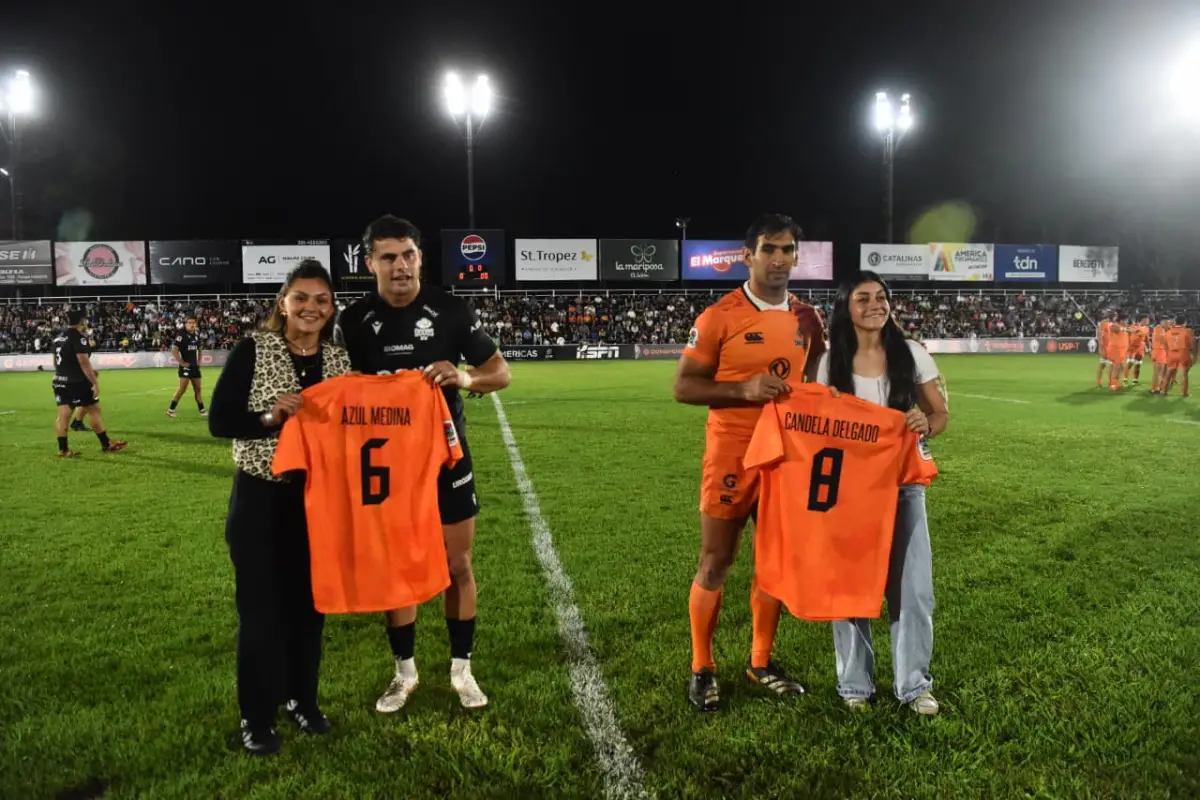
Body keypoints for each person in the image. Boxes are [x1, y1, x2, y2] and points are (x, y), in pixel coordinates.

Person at [335, 215, 512, 712]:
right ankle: (404, 673)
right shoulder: (352, 322)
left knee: (458, 565)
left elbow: (500, 372)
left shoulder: (450, 310)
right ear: (369, 263)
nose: (400, 266)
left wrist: (464, 377)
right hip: (388, 469)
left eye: (408, 255)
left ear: (420, 258)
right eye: (388, 257)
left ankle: (462, 670)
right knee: (397, 570)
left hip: (447, 460)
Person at [672, 213, 826, 712]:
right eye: (769, 249)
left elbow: (817, 383)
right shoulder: (719, 315)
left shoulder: (809, 319)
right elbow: (684, 387)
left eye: (787, 250)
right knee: (716, 561)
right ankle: (702, 667)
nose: (778, 259)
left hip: (786, 456)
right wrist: (743, 388)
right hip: (733, 452)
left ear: (797, 256)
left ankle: (760, 661)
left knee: (774, 563)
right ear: (749, 255)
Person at [208, 260, 351, 756]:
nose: (311, 308)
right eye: (302, 298)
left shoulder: (339, 361)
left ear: (331, 308)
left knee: (310, 611)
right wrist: (271, 415)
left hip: (317, 503)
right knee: (261, 613)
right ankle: (256, 715)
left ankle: (302, 702)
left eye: (322, 300)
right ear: (283, 302)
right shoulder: (252, 350)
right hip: (260, 498)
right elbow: (220, 421)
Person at [816, 270, 949, 716]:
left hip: (904, 485)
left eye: (881, 297)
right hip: (848, 491)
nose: (876, 304)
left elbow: (940, 413)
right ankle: (855, 685)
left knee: (912, 587)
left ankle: (914, 686)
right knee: (849, 586)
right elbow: (815, 429)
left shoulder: (910, 353)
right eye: (863, 298)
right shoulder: (829, 362)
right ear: (845, 308)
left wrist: (923, 423)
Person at [51, 309, 128, 457]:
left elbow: (55, 363)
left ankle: (63, 450)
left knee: (63, 414)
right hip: (78, 382)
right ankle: (107, 444)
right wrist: (94, 382)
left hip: (60, 381)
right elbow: (84, 363)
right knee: (93, 409)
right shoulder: (78, 338)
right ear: (81, 321)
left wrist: (62, 374)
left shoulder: (58, 338)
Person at [167, 316, 207, 417]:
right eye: (189, 323)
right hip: (185, 367)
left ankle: (202, 410)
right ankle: (171, 410)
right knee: (182, 389)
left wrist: (199, 361)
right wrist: (181, 363)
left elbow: (200, 349)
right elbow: (174, 350)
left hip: (194, 367)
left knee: (198, 388)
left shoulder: (196, 336)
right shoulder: (181, 335)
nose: (192, 324)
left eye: (193, 322)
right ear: (185, 324)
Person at [1161, 316, 1196, 398]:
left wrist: (1168, 353)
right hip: (1183, 353)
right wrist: (1193, 355)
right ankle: (1184, 393)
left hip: (1172, 353)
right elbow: (1191, 344)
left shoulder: (1168, 332)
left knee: (1168, 373)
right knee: (1184, 374)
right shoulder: (1187, 331)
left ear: (1175, 322)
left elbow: (1165, 344)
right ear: (1184, 322)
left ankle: (1163, 391)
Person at [1124, 315, 1150, 387]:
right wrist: (1132, 330)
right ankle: (1125, 379)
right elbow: (1127, 330)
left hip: (1140, 348)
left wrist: (1149, 349)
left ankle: (1135, 380)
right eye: (1146, 320)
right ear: (1142, 320)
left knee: (1138, 365)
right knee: (1130, 363)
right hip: (1132, 348)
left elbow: (1147, 339)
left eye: (1148, 320)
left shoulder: (1147, 328)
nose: (1148, 321)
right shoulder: (1134, 326)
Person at [1150, 315, 1171, 394]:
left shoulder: (1159, 329)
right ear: (1162, 322)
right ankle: (1156, 389)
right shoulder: (1159, 329)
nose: (1168, 324)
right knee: (1159, 371)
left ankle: (1155, 387)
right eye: (1166, 322)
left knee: (1158, 371)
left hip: (1158, 351)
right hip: (1159, 351)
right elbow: (1163, 341)